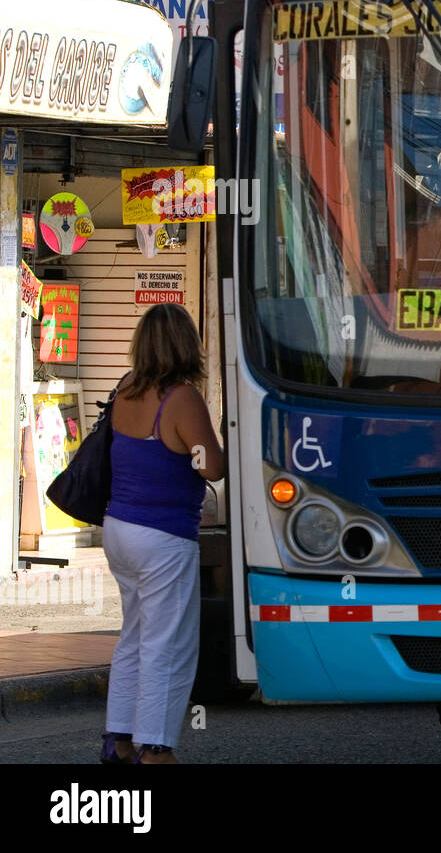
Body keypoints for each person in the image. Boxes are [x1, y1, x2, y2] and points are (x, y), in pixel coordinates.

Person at [99, 303, 224, 765]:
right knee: (167, 643)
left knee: (133, 635)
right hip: (163, 536)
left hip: (119, 528)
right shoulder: (182, 398)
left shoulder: (125, 389)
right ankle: (156, 748)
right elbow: (211, 465)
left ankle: (119, 739)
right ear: (185, 344)